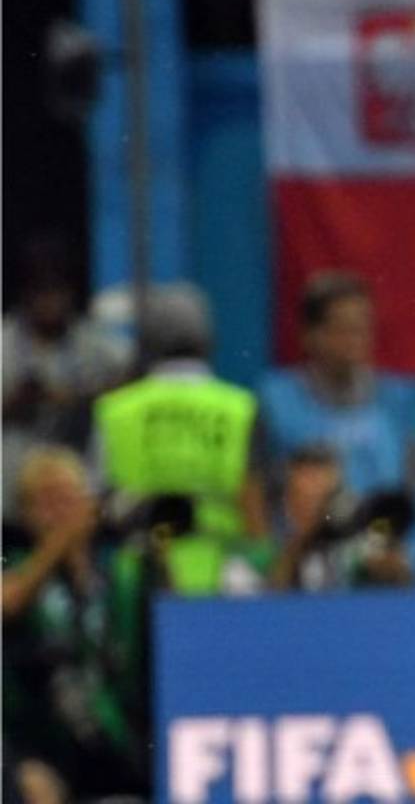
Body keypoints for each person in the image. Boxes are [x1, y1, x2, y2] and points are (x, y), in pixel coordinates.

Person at [2, 447, 142, 801]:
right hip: (36, 738)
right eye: (45, 501)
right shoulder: (15, 561)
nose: (59, 511)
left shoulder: (117, 572)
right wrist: (61, 540)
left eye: (67, 498)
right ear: (26, 513)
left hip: (111, 733)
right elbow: (9, 602)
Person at [93, 285, 268, 540]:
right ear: (208, 339)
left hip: (137, 567)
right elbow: (252, 497)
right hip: (221, 565)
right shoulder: (240, 407)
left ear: (147, 341)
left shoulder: (115, 409)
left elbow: (97, 498)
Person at [258, 271, 415, 506]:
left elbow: (411, 486)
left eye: (362, 327)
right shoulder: (276, 401)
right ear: (309, 334)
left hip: (379, 538)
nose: (355, 340)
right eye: (343, 328)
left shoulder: (396, 399)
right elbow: (256, 487)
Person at [2, 233, 129, 519]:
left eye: (57, 291)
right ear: (25, 294)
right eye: (41, 292)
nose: (50, 302)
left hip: (78, 475)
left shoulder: (92, 343)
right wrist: (14, 402)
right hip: (13, 485)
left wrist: (80, 398)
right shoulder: (5, 343)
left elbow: (132, 380)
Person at [270, 445, 415, 591]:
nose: (313, 508)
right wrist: (300, 547)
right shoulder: (265, 537)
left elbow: (399, 573)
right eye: (303, 497)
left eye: (322, 498)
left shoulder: (355, 536)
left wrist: (385, 562)